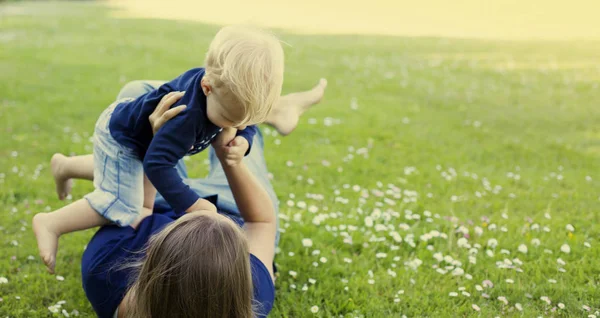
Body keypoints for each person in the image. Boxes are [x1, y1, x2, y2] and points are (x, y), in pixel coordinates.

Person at [46, 78, 327, 317]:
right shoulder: (251, 296)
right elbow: (261, 221)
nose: (211, 212)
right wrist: (230, 158)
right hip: (239, 206)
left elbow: (139, 207)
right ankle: (266, 110)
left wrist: (154, 141)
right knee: (239, 141)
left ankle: (253, 107)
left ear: (152, 259)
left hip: (155, 198)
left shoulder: (108, 273)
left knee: (139, 90)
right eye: (224, 224)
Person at [32, 25, 286, 274]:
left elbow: (244, 123)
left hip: (143, 142)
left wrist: (246, 139)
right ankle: (52, 223)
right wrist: (192, 205)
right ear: (207, 87)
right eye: (232, 120)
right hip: (124, 137)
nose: (238, 127)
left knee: (133, 191)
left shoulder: (222, 94)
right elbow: (157, 165)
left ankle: (65, 166)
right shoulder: (186, 117)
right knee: (126, 206)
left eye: (246, 122)